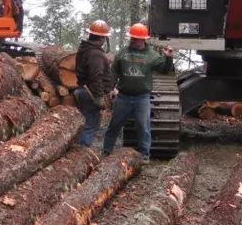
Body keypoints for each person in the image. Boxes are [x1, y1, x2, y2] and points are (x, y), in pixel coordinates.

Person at [103, 23, 174, 159]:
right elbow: (114, 73)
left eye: (135, 38)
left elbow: (164, 70)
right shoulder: (123, 53)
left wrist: (169, 58)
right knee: (114, 126)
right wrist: (110, 88)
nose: (132, 40)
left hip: (142, 98)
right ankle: (106, 151)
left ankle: (145, 156)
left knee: (143, 128)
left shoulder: (151, 55)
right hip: (123, 97)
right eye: (132, 37)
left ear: (143, 39)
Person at [73, 19, 113, 148]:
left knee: (86, 122)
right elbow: (96, 77)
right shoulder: (96, 54)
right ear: (102, 38)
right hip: (90, 93)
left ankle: (79, 150)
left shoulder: (85, 50)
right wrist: (99, 97)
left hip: (84, 90)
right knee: (91, 124)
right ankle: (82, 151)